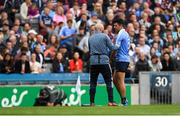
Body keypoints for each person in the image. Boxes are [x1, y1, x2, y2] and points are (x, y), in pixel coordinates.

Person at [88, 23, 117, 106]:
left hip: (93, 61)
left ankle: (92, 102)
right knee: (109, 81)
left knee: (93, 82)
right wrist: (119, 45)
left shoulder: (90, 38)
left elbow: (90, 50)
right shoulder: (104, 36)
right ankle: (111, 101)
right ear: (101, 28)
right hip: (104, 61)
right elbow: (112, 48)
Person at [113, 19, 130, 106]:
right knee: (115, 80)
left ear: (120, 25)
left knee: (120, 81)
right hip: (121, 59)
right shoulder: (125, 33)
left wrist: (109, 50)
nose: (114, 27)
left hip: (122, 59)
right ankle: (123, 99)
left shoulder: (121, 34)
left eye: (116, 25)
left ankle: (124, 101)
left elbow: (116, 47)